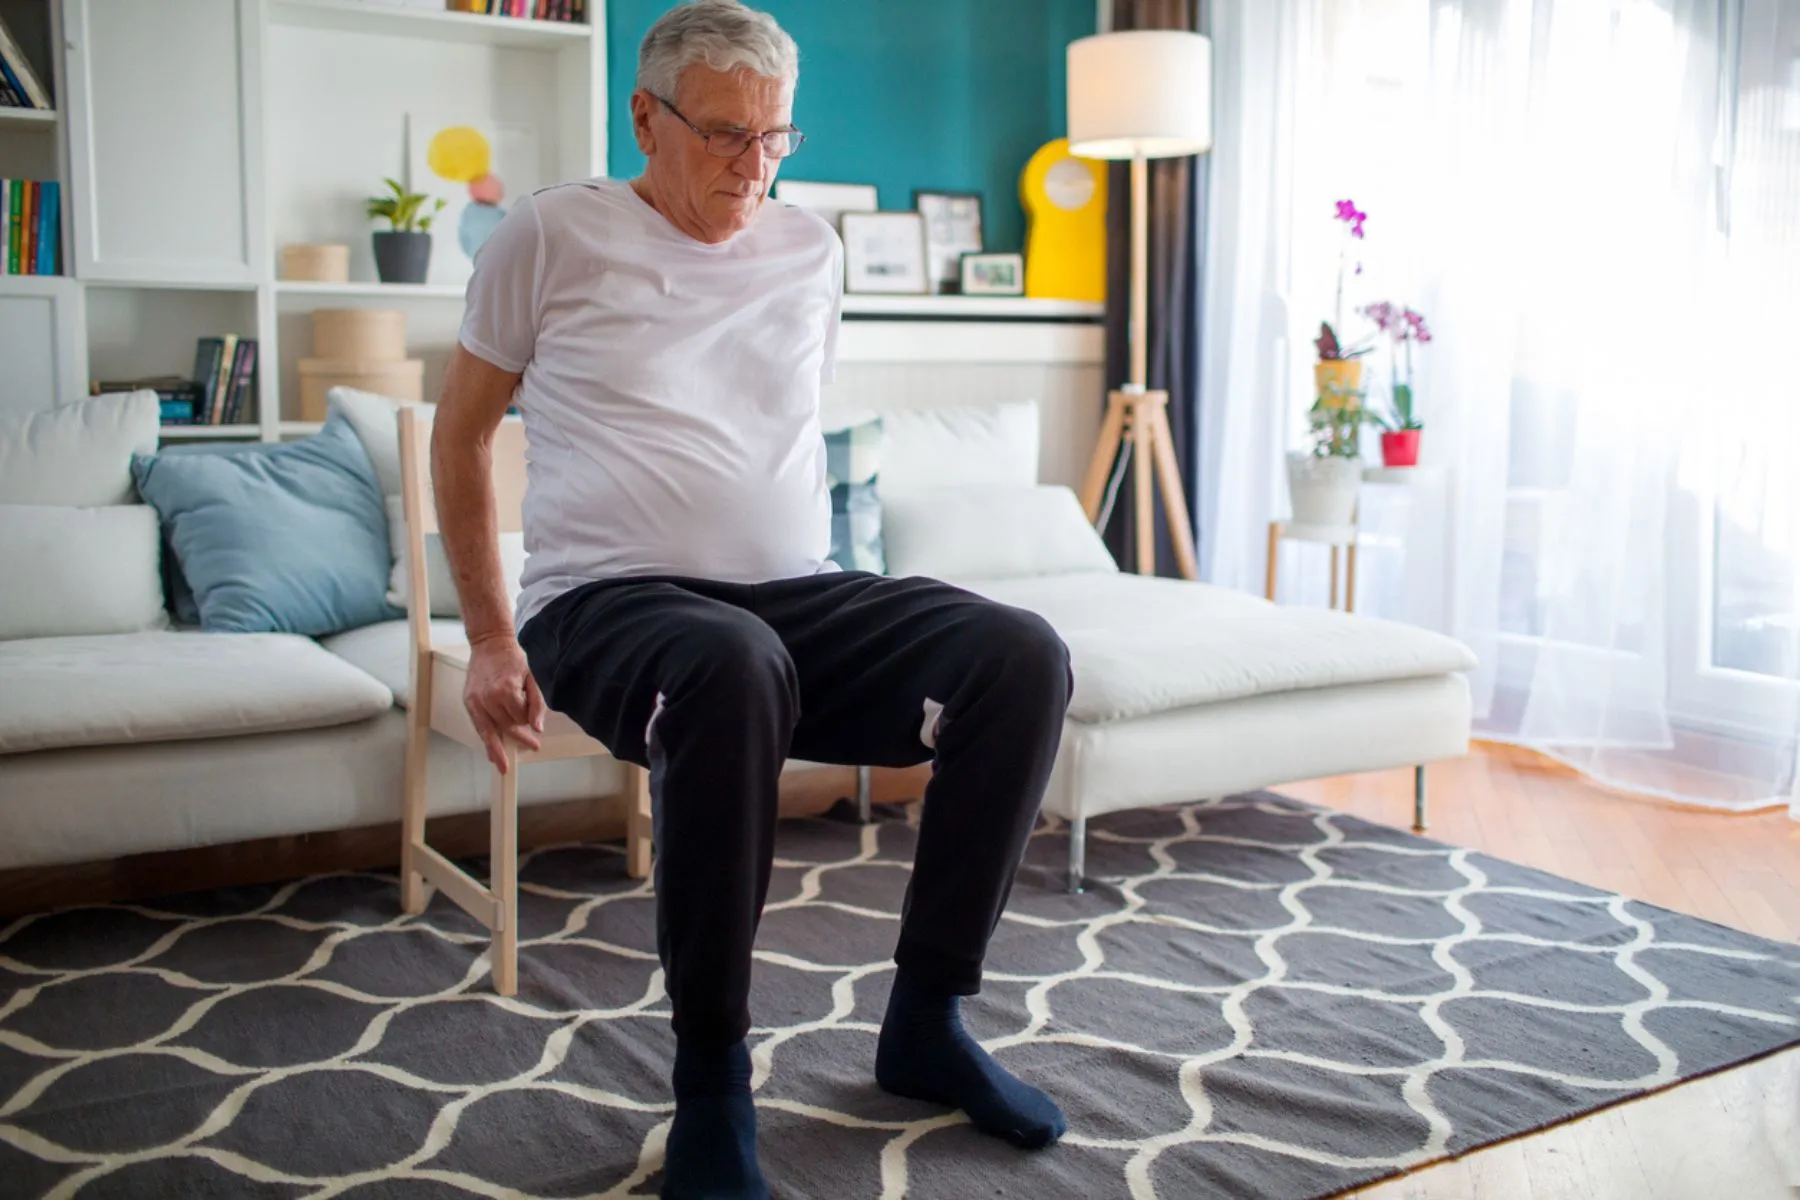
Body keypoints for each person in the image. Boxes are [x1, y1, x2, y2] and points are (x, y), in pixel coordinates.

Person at [430, 2, 1072, 1195]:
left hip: (792, 597)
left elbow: (769, 430)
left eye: (775, 139)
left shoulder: (808, 250)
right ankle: (713, 1084)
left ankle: (927, 1023)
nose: (754, 166)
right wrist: (483, 635)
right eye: (726, 134)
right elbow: (460, 438)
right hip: (604, 605)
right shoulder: (547, 235)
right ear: (646, 117)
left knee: (1020, 654)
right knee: (731, 665)